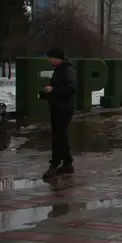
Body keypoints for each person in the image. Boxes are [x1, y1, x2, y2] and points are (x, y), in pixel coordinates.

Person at [41, 48, 77, 179]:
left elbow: (71, 89)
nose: (49, 60)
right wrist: (47, 93)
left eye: (50, 57)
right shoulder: (59, 70)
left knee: (58, 137)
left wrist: (53, 90)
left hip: (64, 108)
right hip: (57, 107)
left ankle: (54, 165)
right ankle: (67, 164)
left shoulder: (67, 70)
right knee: (61, 135)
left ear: (57, 58)